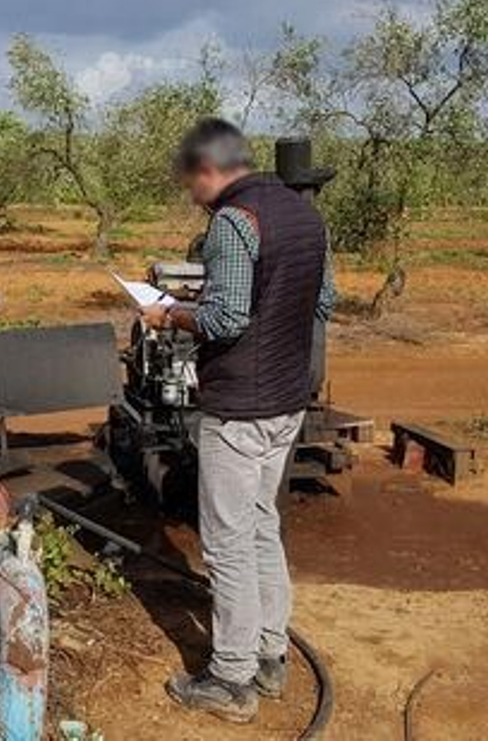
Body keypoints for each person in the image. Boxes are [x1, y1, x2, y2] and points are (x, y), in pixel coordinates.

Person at [142, 117, 334, 724]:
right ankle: (271, 655)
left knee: (225, 541)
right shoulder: (307, 217)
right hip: (286, 402)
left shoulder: (234, 223)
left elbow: (224, 320)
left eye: (191, 181)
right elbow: (325, 302)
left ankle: (230, 678)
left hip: (239, 409)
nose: (193, 195)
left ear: (210, 170)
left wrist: (168, 315)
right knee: (259, 524)